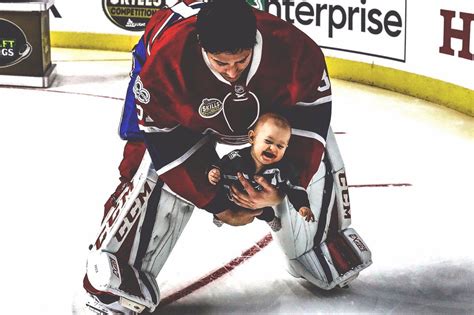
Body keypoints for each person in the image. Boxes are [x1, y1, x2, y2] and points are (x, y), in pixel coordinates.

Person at [83, 0, 372, 313]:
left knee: (315, 143)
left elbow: (310, 121)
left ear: (254, 39)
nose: (233, 72)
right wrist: (216, 204)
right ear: (201, 45)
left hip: (263, 102)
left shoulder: (294, 50)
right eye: (222, 63)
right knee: (144, 163)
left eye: (241, 60)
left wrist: (289, 184)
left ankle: (320, 241)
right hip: (178, 98)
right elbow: (164, 140)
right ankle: (121, 263)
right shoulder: (166, 64)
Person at [207, 113, 315, 232]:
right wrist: (214, 171)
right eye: (268, 141)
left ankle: (271, 220)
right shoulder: (236, 157)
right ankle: (219, 217)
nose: (273, 148)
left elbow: (294, 186)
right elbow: (221, 164)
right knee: (219, 205)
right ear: (252, 138)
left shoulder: (283, 168)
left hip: (260, 204)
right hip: (230, 196)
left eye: (280, 146)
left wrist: (302, 205)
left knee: (265, 212)